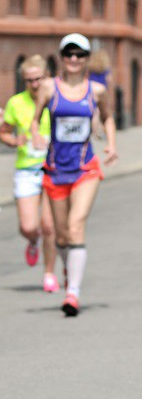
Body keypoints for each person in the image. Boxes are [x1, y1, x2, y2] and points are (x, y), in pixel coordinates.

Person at [31, 33, 118, 317]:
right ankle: (69, 269)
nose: (73, 59)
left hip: (85, 168)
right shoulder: (47, 88)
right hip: (56, 169)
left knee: (76, 224)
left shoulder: (96, 91)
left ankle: (73, 293)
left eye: (80, 54)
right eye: (68, 54)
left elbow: (107, 117)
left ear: (86, 59)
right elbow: (35, 119)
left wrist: (111, 145)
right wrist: (35, 135)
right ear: (61, 56)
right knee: (63, 234)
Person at [0, 55, 58, 293]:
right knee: (29, 226)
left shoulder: (56, 99)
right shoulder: (16, 103)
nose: (34, 84)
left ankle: (49, 273)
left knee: (49, 226)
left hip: (53, 169)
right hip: (26, 168)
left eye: (38, 79)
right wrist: (14, 140)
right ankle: (33, 241)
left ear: (47, 77)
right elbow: (3, 132)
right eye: (29, 80)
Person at [87, 48, 112, 138]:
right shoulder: (105, 68)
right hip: (102, 91)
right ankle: (98, 130)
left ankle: (95, 130)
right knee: (102, 112)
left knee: (95, 112)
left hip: (92, 90)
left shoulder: (91, 67)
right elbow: (109, 80)